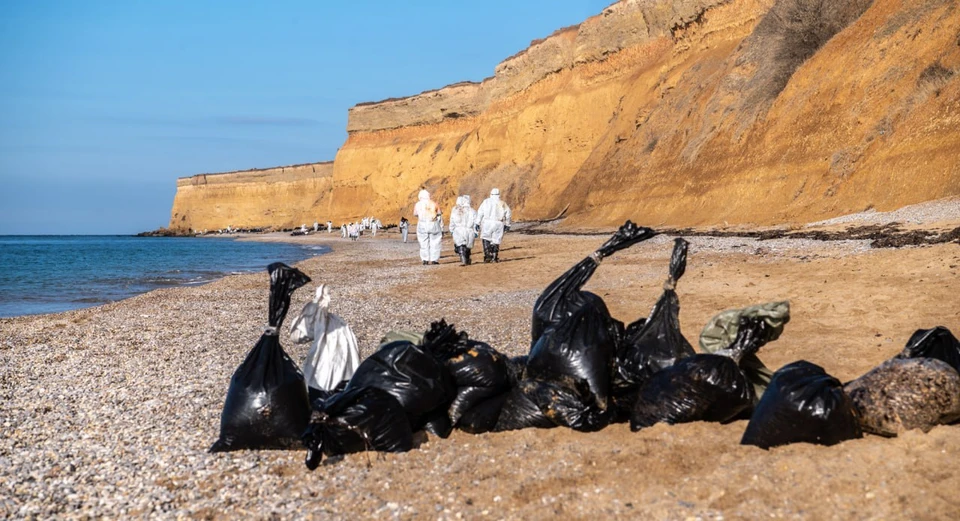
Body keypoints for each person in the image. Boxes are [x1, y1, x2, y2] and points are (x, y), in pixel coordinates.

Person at [474, 188, 512, 263]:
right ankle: (494, 257)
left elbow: (480, 212)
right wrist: (507, 224)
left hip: (487, 222)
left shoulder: (486, 202)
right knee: (496, 240)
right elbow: (508, 213)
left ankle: (487, 255)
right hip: (499, 223)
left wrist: (477, 222)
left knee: (485, 238)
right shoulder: (502, 203)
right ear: (499, 195)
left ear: (490, 194)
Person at [413, 189, 442, 265]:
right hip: (433, 223)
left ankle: (425, 259)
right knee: (435, 241)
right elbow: (439, 213)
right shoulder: (434, 203)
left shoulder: (417, 204)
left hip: (422, 224)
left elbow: (415, 214)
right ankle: (434, 259)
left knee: (423, 242)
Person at [449, 195, 478, 265]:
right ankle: (467, 259)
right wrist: (476, 232)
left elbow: (452, 221)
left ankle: (463, 259)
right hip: (469, 230)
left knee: (461, 245)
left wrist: (451, 230)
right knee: (468, 246)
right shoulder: (472, 211)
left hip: (458, 230)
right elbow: (476, 223)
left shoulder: (455, 210)